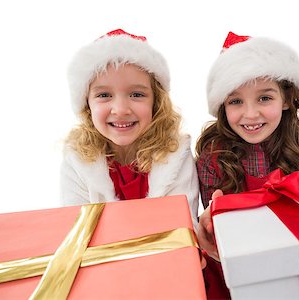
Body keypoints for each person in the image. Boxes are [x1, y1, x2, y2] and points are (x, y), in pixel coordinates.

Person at [196, 31, 299, 298]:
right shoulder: (213, 156)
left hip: (289, 264)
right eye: (236, 101)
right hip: (231, 268)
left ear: (286, 99)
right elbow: (218, 229)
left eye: (264, 98)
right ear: (223, 105)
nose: (250, 114)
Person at [60, 29, 199, 228]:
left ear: (156, 102)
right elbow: (76, 235)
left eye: (136, 94)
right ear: (87, 104)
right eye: (104, 95)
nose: (121, 110)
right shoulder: (77, 160)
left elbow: (183, 230)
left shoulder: (175, 153)